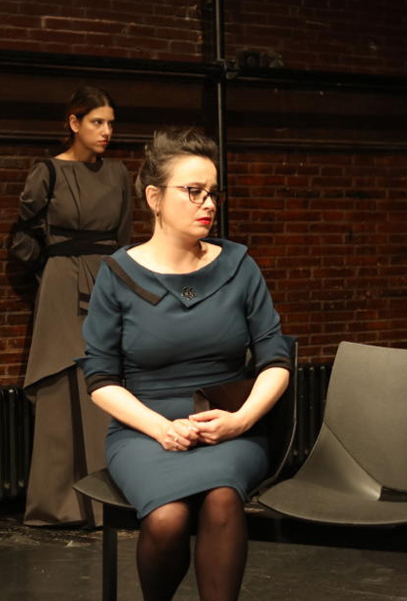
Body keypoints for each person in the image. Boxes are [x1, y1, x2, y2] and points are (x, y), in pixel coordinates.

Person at [76, 128, 292, 601]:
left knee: (221, 499)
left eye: (212, 193)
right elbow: (101, 379)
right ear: (154, 198)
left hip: (229, 428)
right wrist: (160, 428)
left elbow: (276, 359)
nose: (207, 204)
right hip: (144, 430)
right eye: (193, 191)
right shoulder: (117, 275)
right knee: (167, 517)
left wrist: (241, 421)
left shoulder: (239, 266)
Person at [11, 86, 133, 527]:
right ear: (74, 123)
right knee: (63, 382)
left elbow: (125, 237)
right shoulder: (47, 171)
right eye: (97, 122)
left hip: (108, 280)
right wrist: (49, 273)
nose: (106, 131)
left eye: (111, 123)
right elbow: (23, 236)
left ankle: (114, 500)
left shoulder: (118, 173)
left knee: (110, 380)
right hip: (62, 284)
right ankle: (59, 504)